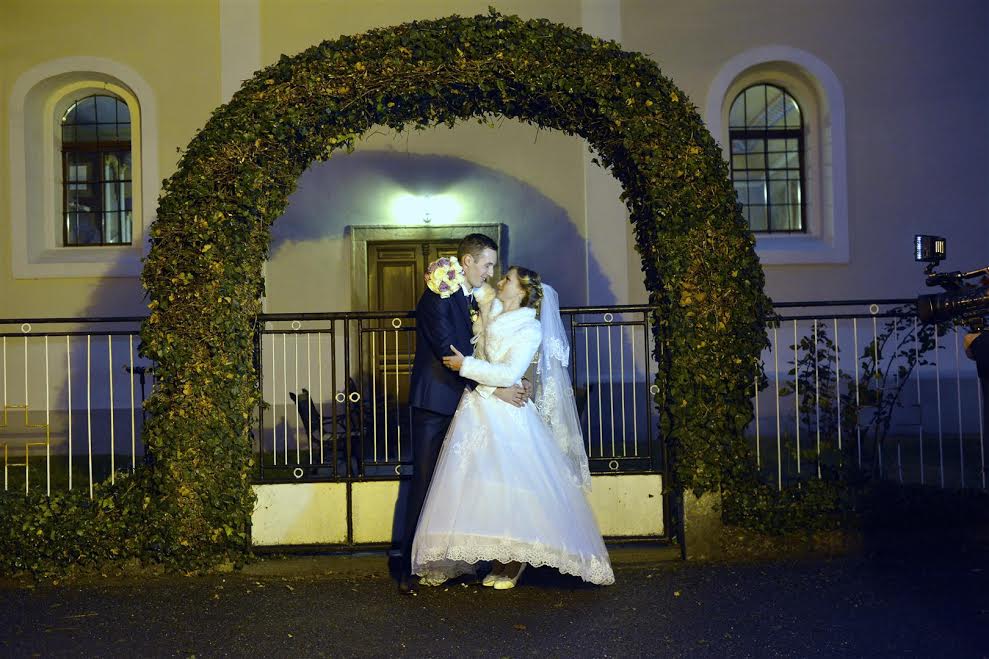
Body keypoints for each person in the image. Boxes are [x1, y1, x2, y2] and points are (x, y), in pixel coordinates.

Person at [411, 266, 615, 589]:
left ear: (520, 291)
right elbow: (468, 283)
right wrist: (447, 273)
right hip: (477, 407)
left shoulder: (530, 328)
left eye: (507, 278)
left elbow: (509, 372)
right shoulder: (490, 306)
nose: (500, 280)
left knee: (512, 486)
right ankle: (483, 557)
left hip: (507, 413)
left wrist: (466, 365)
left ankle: (513, 562)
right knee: (478, 487)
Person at [399, 234, 527, 595]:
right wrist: (495, 389)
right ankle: (409, 567)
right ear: (467, 261)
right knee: (426, 484)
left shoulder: (472, 297)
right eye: (486, 264)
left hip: (464, 404)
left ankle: (449, 559)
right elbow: (448, 353)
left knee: (456, 486)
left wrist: (512, 381)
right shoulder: (438, 297)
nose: (489, 272)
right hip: (435, 404)